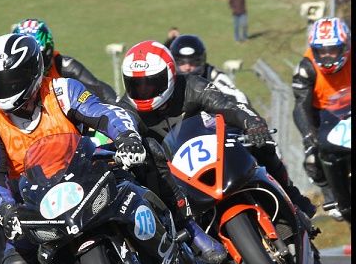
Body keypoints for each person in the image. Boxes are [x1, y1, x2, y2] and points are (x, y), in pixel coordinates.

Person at [0, 34, 226, 264]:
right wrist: (5, 209)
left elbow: (105, 113)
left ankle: (188, 225)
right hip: (36, 200)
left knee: (150, 150)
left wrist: (126, 138)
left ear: (32, 71)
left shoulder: (61, 90)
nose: (5, 88)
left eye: (12, 79)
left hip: (85, 170)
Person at [115, 40, 316, 219]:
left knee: (262, 143)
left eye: (151, 83)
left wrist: (250, 122)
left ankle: (292, 196)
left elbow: (227, 106)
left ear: (169, 75)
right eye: (136, 85)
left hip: (212, 150)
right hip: (173, 175)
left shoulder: (192, 85)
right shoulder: (125, 109)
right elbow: (115, 131)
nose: (144, 91)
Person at [291, 17, 351, 221]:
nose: (326, 56)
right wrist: (309, 136)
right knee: (312, 161)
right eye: (321, 51)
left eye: (332, 50)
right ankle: (330, 194)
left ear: (345, 46)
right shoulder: (306, 67)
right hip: (323, 117)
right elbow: (300, 105)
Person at [12, 18, 119, 104]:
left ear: (49, 52)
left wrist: (120, 108)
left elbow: (98, 87)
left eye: (39, 57)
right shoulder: (7, 76)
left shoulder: (64, 65)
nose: (33, 66)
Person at [169, 33, 251, 104]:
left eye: (192, 63)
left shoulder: (214, 76)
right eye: (182, 63)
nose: (187, 68)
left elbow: (239, 98)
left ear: (201, 61)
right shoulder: (168, 80)